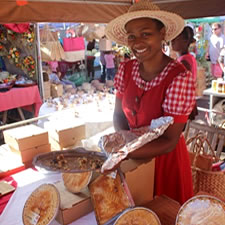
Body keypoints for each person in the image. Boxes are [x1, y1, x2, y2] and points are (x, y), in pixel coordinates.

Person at [105, 0, 196, 204]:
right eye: (132, 36)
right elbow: (119, 114)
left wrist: (126, 152)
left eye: (146, 33)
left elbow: (170, 140)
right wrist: (123, 141)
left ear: (162, 33)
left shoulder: (178, 77)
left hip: (166, 163)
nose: (138, 42)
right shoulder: (126, 69)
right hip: (135, 161)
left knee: (162, 212)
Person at [171, 26, 198, 121]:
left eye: (176, 38)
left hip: (182, 105)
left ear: (186, 41)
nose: (172, 41)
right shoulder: (189, 58)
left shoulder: (184, 62)